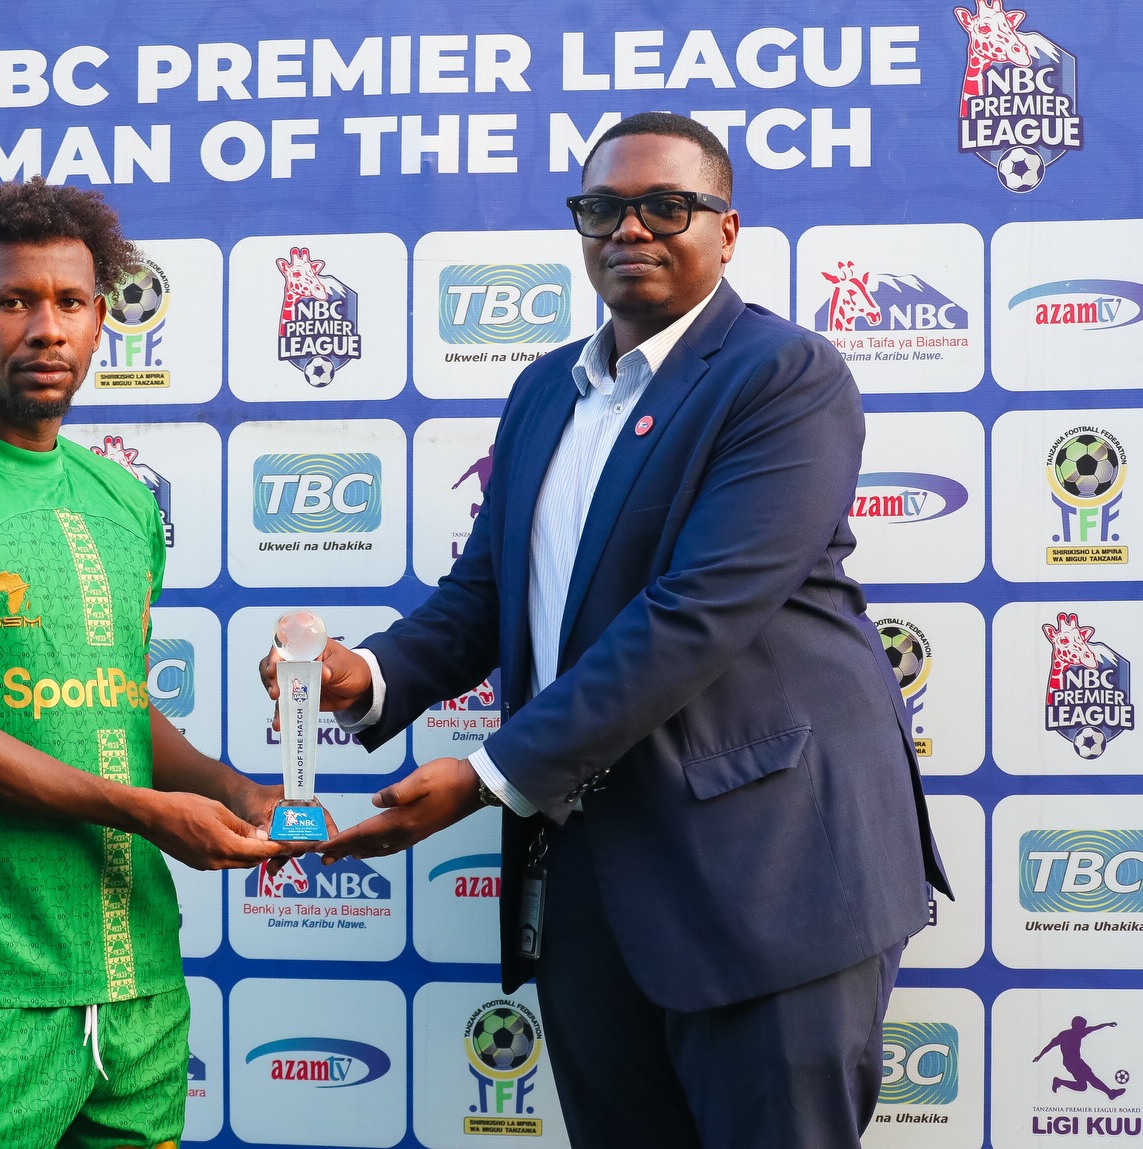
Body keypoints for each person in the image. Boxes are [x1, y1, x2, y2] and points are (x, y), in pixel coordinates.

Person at [262, 112, 950, 1148]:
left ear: (727, 229)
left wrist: (487, 775)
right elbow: (486, 592)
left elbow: (694, 614)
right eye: (603, 208)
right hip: (591, 883)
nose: (631, 229)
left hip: (771, 881)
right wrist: (364, 674)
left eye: (666, 206)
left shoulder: (785, 375)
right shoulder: (546, 389)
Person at [0, 177, 299, 1149]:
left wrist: (231, 790)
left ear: (100, 319)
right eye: (14, 301)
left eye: (72, 302)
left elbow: (113, 704)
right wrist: (148, 813)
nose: (48, 328)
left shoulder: (123, 500)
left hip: (136, 983)